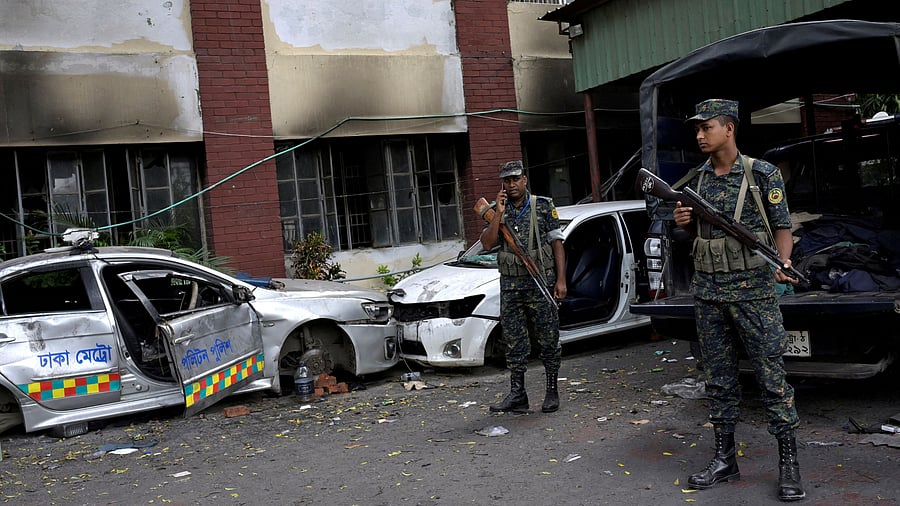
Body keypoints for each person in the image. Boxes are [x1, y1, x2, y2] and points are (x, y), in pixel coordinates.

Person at [674, 99, 804, 501]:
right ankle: (725, 459)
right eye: (696, 129)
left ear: (729, 128)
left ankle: (789, 464)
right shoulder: (696, 180)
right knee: (719, 378)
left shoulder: (764, 174)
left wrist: (783, 262)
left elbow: (782, 227)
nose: (699, 135)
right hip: (709, 293)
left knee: (771, 378)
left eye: (706, 127)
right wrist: (683, 224)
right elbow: (689, 236)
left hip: (753, 293)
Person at [481, 160, 566, 414]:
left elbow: (557, 244)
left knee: (548, 338)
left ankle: (552, 391)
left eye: (516, 179)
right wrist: (498, 213)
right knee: (514, 341)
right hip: (511, 285)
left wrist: (561, 280)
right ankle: (518, 394)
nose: (512, 184)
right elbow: (487, 244)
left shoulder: (543, 205)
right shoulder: (498, 210)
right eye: (507, 180)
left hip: (540, 281)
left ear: (524, 179)